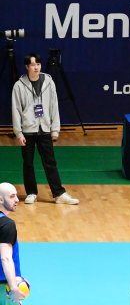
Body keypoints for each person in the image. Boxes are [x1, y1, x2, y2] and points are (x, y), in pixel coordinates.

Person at [11, 53, 79, 205]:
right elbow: (16, 110)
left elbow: (54, 106)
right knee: (28, 163)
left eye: (38, 64)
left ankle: (59, 194)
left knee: (50, 162)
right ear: (27, 67)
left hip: (45, 129)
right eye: (33, 65)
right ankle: (31, 192)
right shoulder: (19, 86)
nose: (36, 68)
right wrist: (18, 133)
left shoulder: (49, 82)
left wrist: (55, 129)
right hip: (27, 130)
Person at [0, 183, 24, 305]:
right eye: (12, 196)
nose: (17, 200)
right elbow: (6, 258)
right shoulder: (7, 224)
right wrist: (14, 288)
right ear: (0, 199)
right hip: (3, 286)